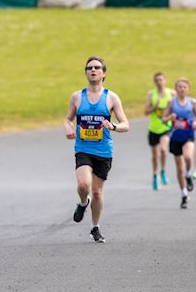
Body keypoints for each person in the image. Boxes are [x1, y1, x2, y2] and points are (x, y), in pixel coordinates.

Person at [65, 56, 130, 243]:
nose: (93, 70)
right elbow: (67, 119)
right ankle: (83, 203)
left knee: (97, 193)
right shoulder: (77, 96)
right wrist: (69, 128)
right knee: (83, 185)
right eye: (89, 68)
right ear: (86, 73)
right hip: (83, 147)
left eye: (97, 67)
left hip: (103, 150)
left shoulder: (111, 97)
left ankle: (95, 227)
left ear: (104, 73)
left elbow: (126, 124)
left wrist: (113, 126)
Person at [166, 78, 196, 208]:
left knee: (188, 157)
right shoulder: (171, 102)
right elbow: (163, 119)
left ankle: (189, 174)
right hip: (175, 136)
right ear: (176, 89)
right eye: (179, 87)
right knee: (179, 168)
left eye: (184, 87)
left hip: (188, 134)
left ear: (188, 89)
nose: (182, 89)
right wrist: (170, 117)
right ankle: (184, 194)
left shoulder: (192, 102)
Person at [143, 72, 172, 191]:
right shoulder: (151, 94)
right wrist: (154, 107)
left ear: (165, 81)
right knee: (155, 156)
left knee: (163, 149)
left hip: (165, 127)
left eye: (161, 80)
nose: (159, 82)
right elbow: (146, 112)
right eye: (157, 80)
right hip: (153, 129)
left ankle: (163, 171)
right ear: (155, 82)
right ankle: (155, 176)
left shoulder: (171, 94)